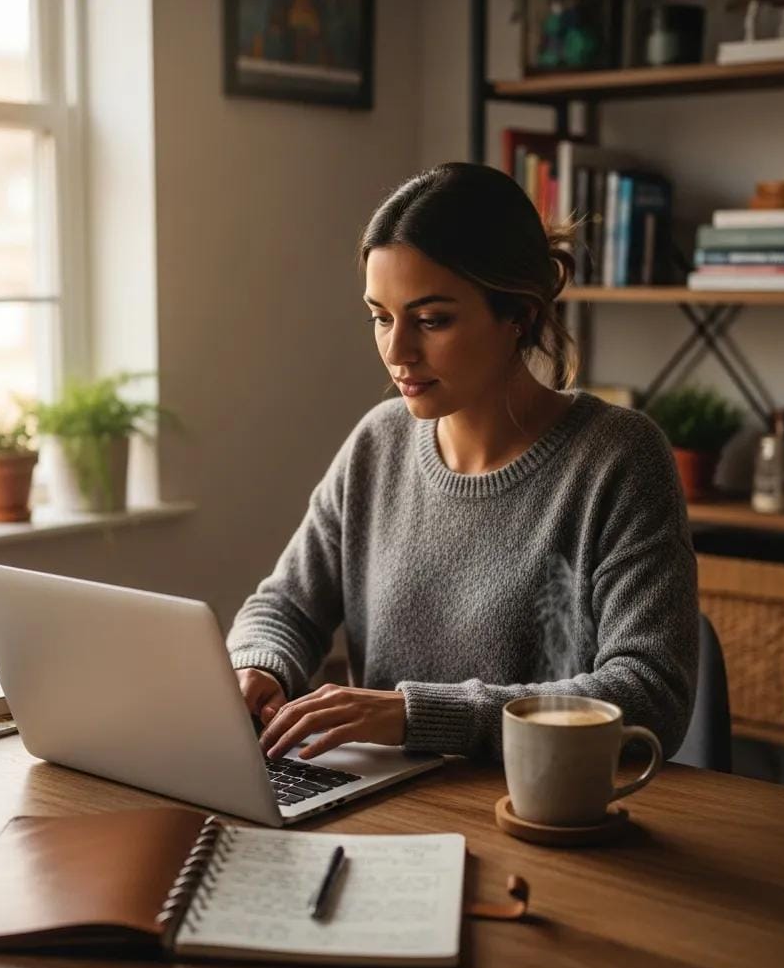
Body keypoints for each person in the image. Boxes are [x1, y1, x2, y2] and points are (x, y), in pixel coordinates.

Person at [227, 162, 698, 765]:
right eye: (381, 317)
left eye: (431, 320)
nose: (397, 352)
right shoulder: (378, 444)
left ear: (519, 314)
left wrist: (416, 716)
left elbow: (650, 693)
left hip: (537, 815)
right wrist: (258, 665)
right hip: (388, 805)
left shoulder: (618, 460)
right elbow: (285, 605)